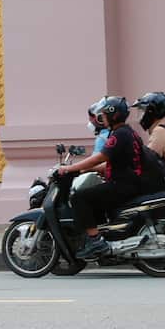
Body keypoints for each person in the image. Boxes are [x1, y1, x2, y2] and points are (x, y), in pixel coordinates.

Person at [56, 96, 149, 260]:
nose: (102, 118)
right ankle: (104, 235)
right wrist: (83, 169)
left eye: (105, 114)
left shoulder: (118, 135)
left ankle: (95, 241)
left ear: (114, 115)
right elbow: (111, 164)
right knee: (94, 198)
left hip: (122, 185)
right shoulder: (128, 133)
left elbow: (100, 158)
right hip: (130, 183)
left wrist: (70, 168)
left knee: (79, 197)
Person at [133, 91, 165, 172]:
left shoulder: (159, 132)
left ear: (151, 112)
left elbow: (146, 162)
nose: (141, 117)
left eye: (143, 111)